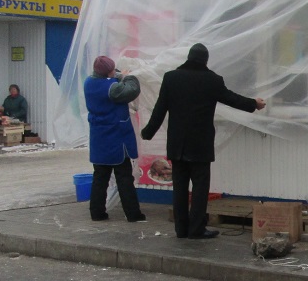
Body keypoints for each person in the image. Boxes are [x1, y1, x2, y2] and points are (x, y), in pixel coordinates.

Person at [141, 43, 266, 239]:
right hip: (200, 144)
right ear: (205, 61)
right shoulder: (212, 80)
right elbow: (231, 99)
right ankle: (196, 229)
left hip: (177, 145)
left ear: (188, 57)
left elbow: (160, 110)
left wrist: (147, 132)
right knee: (200, 188)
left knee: (180, 188)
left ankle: (181, 229)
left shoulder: (171, 78)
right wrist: (254, 104)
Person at [84, 56, 145, 223]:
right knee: (124, 177)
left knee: (100, 178)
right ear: (108, 72)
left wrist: (115, 75)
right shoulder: (112, 88)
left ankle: (96, 212)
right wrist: (126, 76)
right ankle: (133, 214)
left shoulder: (88, 82)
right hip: (116, 138)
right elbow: (132, 89)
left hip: (98, 138)